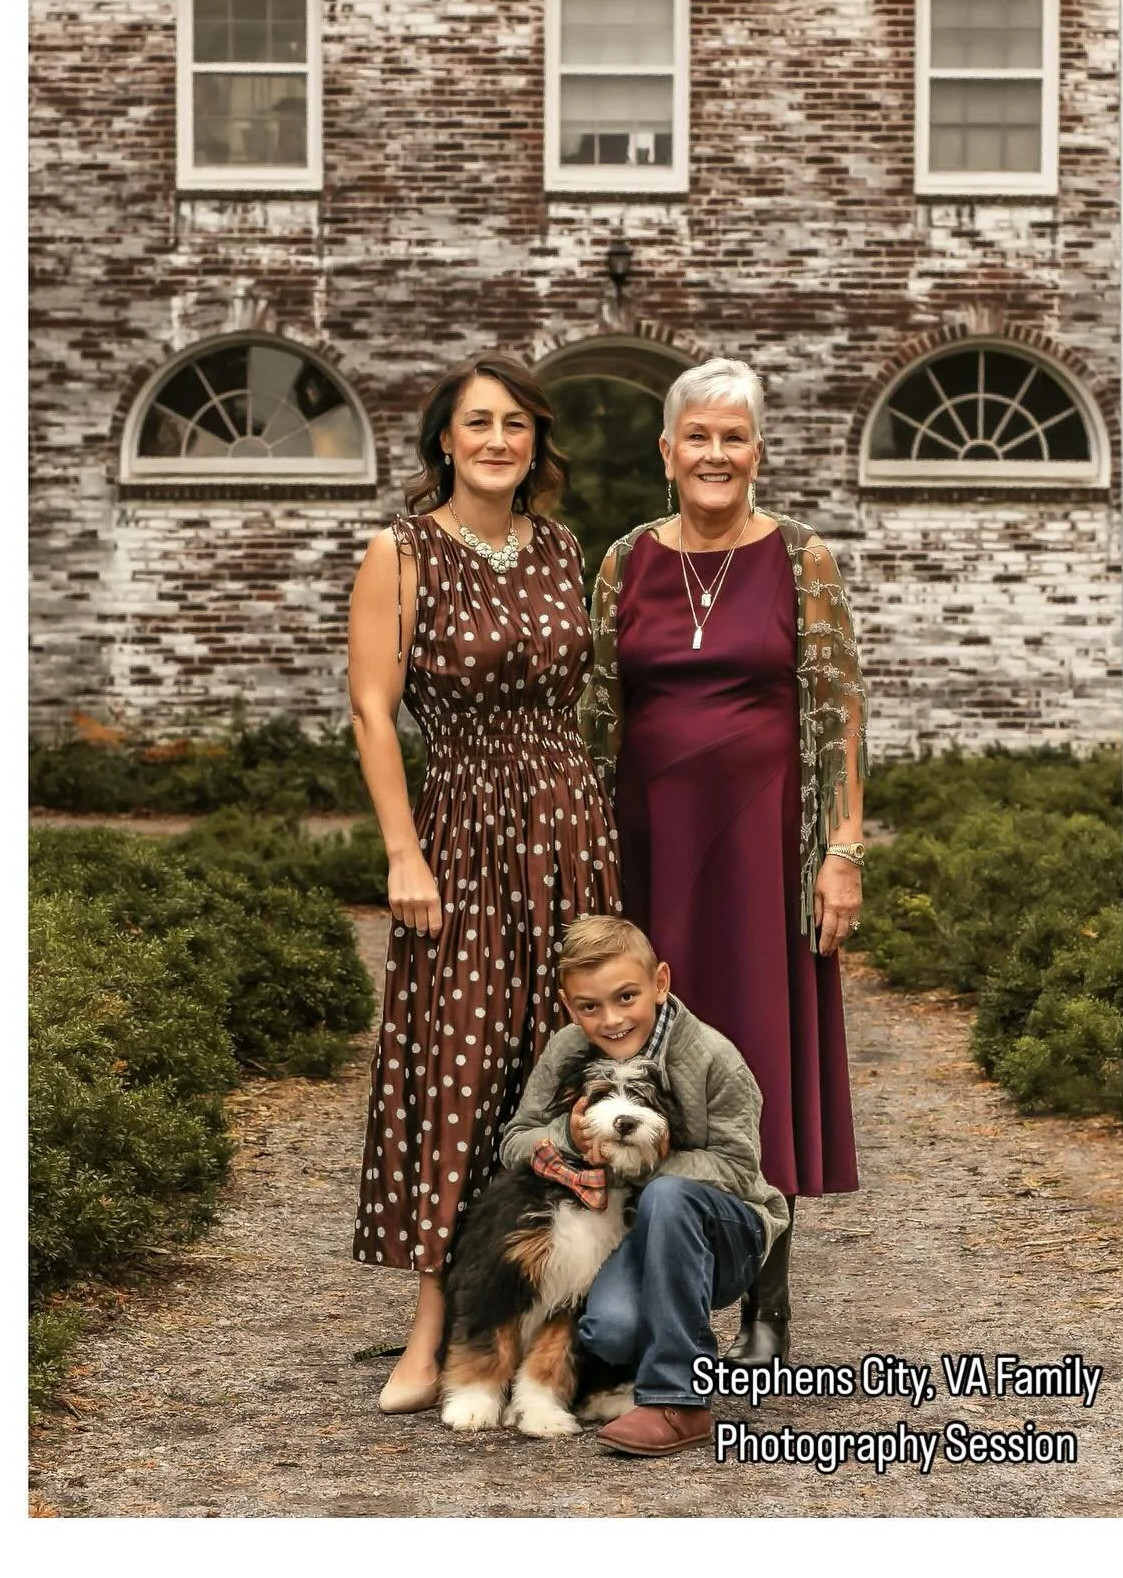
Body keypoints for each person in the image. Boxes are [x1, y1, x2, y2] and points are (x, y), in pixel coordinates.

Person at [579, 357, 866, 1366]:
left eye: (732, 438)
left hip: (764, 848)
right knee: (649, 1058)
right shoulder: (624, 559)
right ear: (667, 452)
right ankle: (663, 1284)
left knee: (758, 1053)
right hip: (652, 845)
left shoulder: (803, 558)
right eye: (696, 437)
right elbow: (596, 716)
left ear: (758, 450)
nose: (714, 454)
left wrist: (841, 852)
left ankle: (771, 1298)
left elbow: (837, 712)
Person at [347, 352, 620, 1413]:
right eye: (477, 423)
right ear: (443, 442)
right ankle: (434, 1335)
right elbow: (375, 712)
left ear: (535, 443)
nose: (499, 439)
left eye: (515, 423)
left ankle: (562, 1331)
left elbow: (596, 703)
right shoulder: (401, 552)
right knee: (455, 1075)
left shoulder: (561, 550)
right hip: (459, 826)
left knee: (554, 1073)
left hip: (568, 826)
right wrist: (402, 850)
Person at [499, 914, 789, 1456]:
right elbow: (514, 1141)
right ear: (569, 1006)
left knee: (668, 1194)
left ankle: (679, 1399)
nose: (610, 1020)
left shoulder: (714, 1059)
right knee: (610, 1331)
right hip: (632, 1234)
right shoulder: (567, 1050)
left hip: (726, 1230)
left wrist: (638, 1166)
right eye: (589, 1007)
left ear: (660, 982)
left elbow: (737, 1168)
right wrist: (568, 1134)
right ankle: (616, 1376)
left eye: (626, 997)